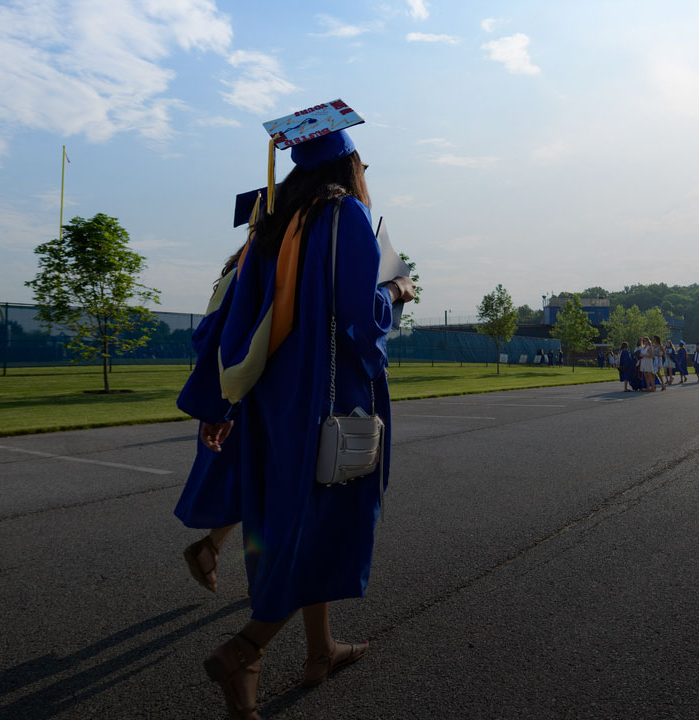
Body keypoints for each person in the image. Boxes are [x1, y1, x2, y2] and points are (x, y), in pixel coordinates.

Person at [172, 127, 416, 719]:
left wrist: (223, 404)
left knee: (297, 520)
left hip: (273, 402)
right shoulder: (345, 216)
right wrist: (398, 292)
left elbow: (235, 314)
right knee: (322, 525)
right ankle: (245, 650)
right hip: (327, 401)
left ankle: (320, 651)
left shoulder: (272, 223)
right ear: (351, 163)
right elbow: (360, 317)